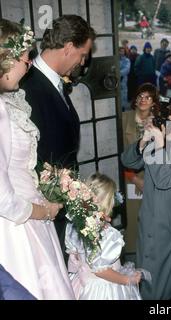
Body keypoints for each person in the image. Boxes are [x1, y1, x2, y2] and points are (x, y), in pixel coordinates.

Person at [0, 18, 74, 299]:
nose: (28, 63)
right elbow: (3, 198)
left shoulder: (10, 100)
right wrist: (46, 211)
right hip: (16, 227)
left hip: (29, 208)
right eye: (23, 57)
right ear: (5, 59)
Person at [21, 15, 96, 260]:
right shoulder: (27, 86)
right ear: (68, 48)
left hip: (61, 200)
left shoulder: (54, 82)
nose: (82, 62)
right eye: (82, 54)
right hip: (45, 206)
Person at [121, 106, 171, 300]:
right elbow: (127, 161)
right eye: (168, 122)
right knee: (148, 274)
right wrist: (143, 141)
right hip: (150, 217)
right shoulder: (156, 144)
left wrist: (159, 144)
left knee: (170, 281)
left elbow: (164, 180)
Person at [66, 173, 144, 300]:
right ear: (108, 202)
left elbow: (73, 257)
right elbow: (101, 271)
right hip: (103, 290)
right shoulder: (107, 234)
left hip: (82, 285)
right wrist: (127, 280)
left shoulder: (75, 226)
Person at [122, 83, 158, 253]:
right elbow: (117, 153)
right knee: (132, 219)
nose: (143, 100)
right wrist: (134, 178)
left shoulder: (159, 121)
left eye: (148, 97)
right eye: (140, 96)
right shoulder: (124, 118)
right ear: (135, 100)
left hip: (154, 179)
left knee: (153, 219)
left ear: (154, 102)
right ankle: (132, 256)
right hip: (130, 178)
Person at [119, 46, 131, 111]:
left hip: (123, 80)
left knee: (123, 95)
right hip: (115, 80)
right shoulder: (116, 60)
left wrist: (118, 73)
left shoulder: (127, 60)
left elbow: (127, 69)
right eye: (120, 51)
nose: (121, 52)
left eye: (122, 51)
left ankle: (123, 108)